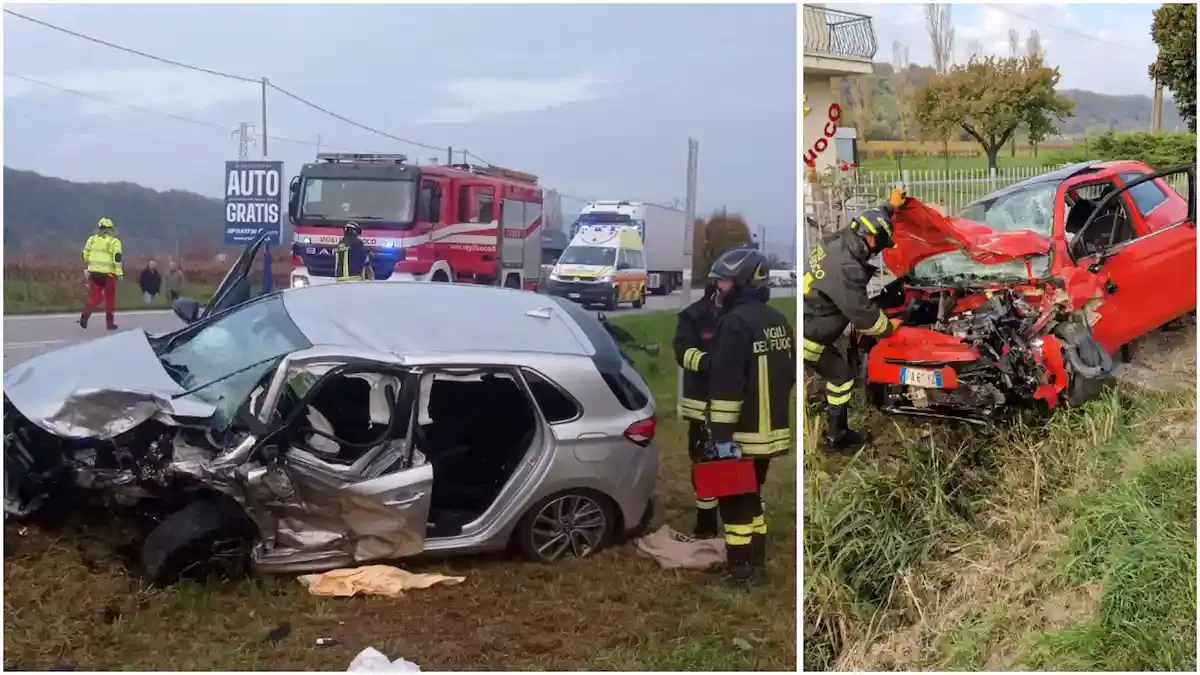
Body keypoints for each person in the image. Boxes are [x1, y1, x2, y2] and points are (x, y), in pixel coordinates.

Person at [705, 246, 796, 588]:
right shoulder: (778, 321)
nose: (718, 289)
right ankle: (757, 563)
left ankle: (741, 572)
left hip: (741, 435)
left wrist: (722, 437)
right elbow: (787, 376)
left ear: (743, 283)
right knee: (753, 495)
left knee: (735, 507)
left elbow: (727, 386)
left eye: (724, 283)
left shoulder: (734, 324)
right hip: (770, 433)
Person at [802, 189, 906, 454]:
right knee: (841, 377)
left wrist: (891, 206)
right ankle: (837, 436)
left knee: (836, 373)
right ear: (871, 241)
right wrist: (888, 327)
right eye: (881, 246)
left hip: (807, 317)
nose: (879, 252)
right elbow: (862, 315)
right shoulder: (848, 269)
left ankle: (827, 425)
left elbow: (875, 219)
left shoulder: (842, 238)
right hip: (810, 334)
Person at [672, 278, 723, 539]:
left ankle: (737, 517)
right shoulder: (693, 317)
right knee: (704, 463)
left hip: (734, 404)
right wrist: (713, 363)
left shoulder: (739, 316)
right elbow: (682, 352)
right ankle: (706, 524)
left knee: (734, 462)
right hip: (702, 405)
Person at [79, 217, 124, 330]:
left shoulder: (92, 240)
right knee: (109, 299)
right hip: (109, 274)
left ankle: (86, 312)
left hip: (94, 273)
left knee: (96, 297)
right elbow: (117, 258)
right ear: (111, 229)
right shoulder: (114, 242)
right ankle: (109, 323)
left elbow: (84, 255)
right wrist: (119, 273)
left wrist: (90, 264)